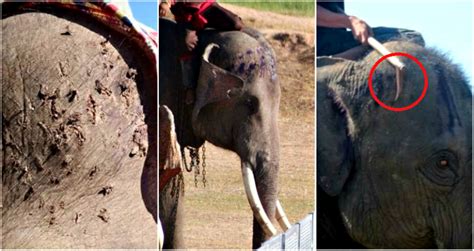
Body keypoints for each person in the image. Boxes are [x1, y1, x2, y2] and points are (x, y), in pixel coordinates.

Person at [160, 0, 243, 104]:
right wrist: (165, 2)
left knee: (236, 24)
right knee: (186, 44)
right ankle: (189, 87)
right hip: (186, 15)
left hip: (206, 6)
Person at [317, 1, 425, 60]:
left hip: (336, 39)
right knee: (412, 37)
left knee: (413, 37)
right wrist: (350, 21)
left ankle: (333, 60)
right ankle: (326, 63)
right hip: (324, 43)